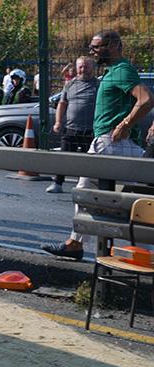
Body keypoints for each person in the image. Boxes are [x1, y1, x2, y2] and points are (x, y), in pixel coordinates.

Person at [42, 30, 153, 259]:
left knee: (132, 203)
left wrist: (124, 124)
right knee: (85, 193)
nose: (92, 51)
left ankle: (144, 254)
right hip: (106, 142)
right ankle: (75, 243)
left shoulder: (122, 70)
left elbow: (146, 99)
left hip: (115, 144)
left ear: (113, 45)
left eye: (96, 46)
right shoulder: (113, 72)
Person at [48, 55, 98, 193]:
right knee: (64, 157)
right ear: (76, 68)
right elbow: (62, 104)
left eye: (86, 66)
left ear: (92, 68)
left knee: (89, 161)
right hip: (71, 128)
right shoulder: (69, 84)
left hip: (91, 130)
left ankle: (86, 186)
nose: (83, 69)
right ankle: (57, 183)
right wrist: (58, 122)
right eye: (80, 66)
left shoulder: (98, 85)